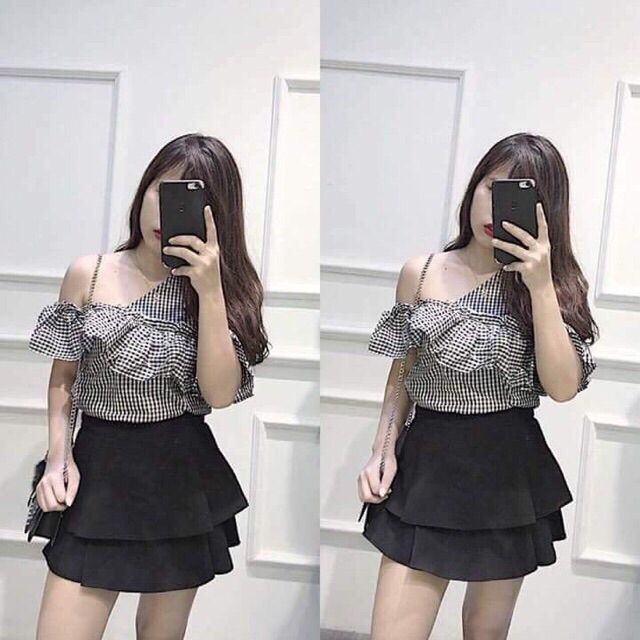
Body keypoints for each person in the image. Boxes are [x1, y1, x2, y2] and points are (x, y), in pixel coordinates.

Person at [357, 133, 598, 640]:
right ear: (474, 187)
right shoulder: (422, 272)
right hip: (427, 465)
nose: (495, 206)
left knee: (484, 633)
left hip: (508, 472)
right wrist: (383, 448)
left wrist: (539, 286)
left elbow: (562, 388)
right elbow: (404, 371)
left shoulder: (549, 288)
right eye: (492, 185)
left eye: (519, 194)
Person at [29, 133, 269, 639]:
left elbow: (219, 394)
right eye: (163, 190)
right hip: (98, 469)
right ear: (144, 190)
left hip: (180, 476)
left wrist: (210, 291)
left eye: (190, 199)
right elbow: (63, 378)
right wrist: (57, 457)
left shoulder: (220, 291)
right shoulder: (89, 274)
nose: (165, 211)